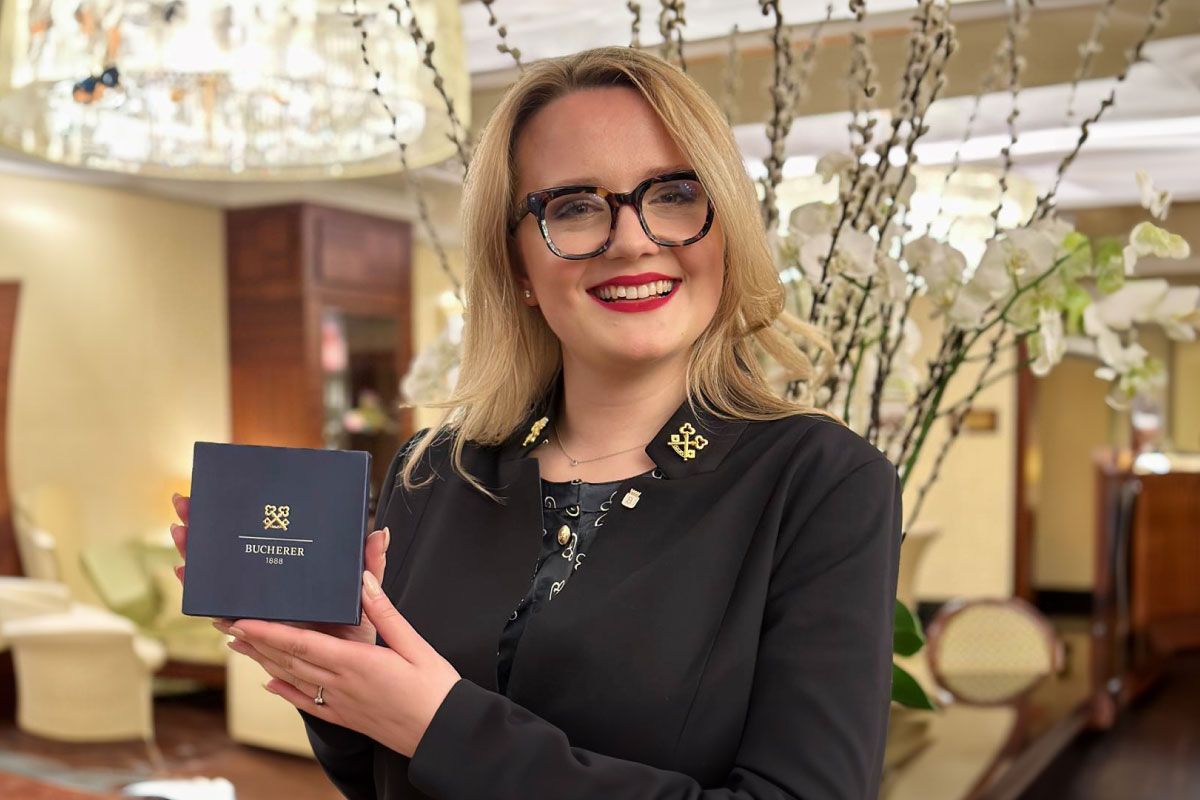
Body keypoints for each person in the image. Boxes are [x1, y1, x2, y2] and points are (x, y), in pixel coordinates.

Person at [169, 46, 902, 799]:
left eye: (675, 193)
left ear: (727, 224)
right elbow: (378, 776)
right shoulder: (434, 471)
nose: (632, 239)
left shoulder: (823, 483)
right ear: (518, 265)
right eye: (575, 207)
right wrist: (340, 672)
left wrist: (440, 724)